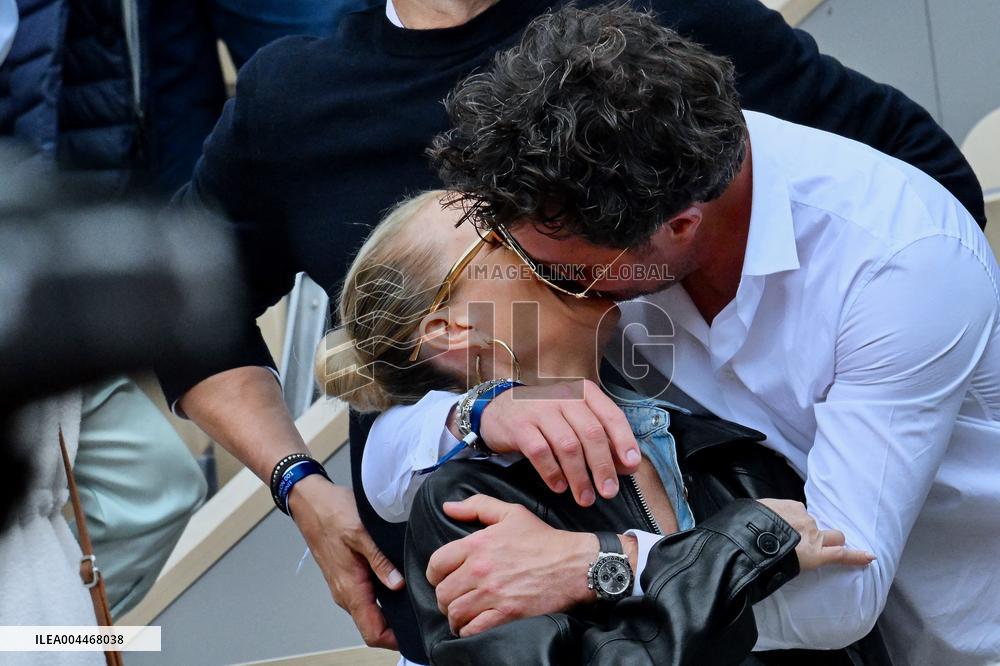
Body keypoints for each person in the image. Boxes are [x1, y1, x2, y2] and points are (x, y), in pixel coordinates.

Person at [160, 0, 986, 662]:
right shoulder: (513, 400)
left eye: (558, 269)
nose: (537, 278)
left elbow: (841, 584)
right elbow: (384, 463)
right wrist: (468, 416)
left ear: (676, 231)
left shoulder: (885, 258)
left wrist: (591, 567)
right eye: (506, 250)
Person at [318, 190, 888, 664]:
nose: (542, 228)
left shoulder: (721, 440)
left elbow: (844, 623)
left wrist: (602, 568)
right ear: (450, 329)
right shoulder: (465, 503)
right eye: (496, 232)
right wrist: (725, 548)